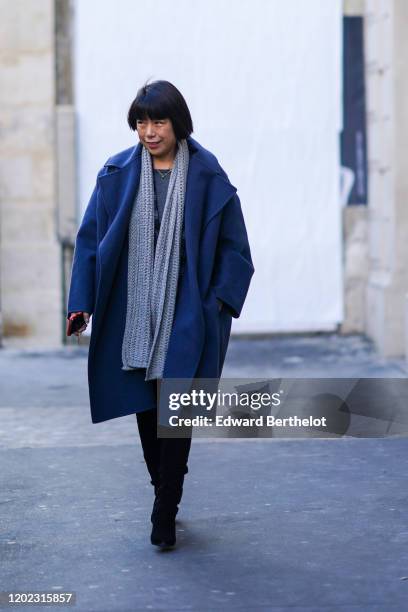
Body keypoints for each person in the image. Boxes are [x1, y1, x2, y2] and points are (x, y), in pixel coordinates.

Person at [66, 79, 254, 549]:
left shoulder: (208, 175)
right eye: (141, 123)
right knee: (146, 406)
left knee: (177, 406)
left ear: (178, 123)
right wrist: (80, 303)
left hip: (188, 308)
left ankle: (164, 510)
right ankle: (165, 484)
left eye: (158, 121)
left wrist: (219, 304)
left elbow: (235, 248)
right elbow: (90, 241)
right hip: (133, 309)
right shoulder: (116, 172)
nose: (149, 132)